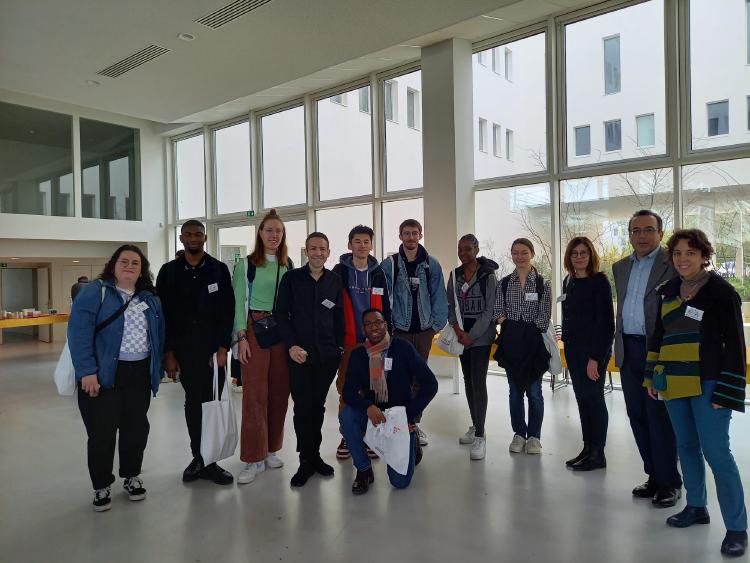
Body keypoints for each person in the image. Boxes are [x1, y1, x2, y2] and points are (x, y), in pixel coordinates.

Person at [646, 229, 747, 557]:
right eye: (677, 253)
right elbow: (658, 338)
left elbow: (735, 345)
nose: (683, 259)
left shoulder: (721, 292)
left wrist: (728, 390)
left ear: (704, 255)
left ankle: (736, 528)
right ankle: (696, 506)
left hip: (709, 383)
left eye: (690, 252)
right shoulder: (667, 290)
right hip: (673, 381)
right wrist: (651, 379)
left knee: (717, 454)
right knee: (686, 447)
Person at [68, 245, 164, 511]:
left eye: (136, 263)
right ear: (113, 265)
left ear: (142, 270)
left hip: (139, 374)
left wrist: (158, 370)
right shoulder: (95, 292)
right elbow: (79, 334)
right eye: (125, 261)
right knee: (102, 433)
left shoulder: (150, 298)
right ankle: (101, 485)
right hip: (104, 375)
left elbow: (158, 335)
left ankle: (131, 476)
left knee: (136, 429)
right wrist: (87, 371)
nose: (130, 267)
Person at [156, 220, 235, 485]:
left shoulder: (219, 270)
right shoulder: (168, 273)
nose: (193, 238)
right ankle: (198, 457)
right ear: (181, 239)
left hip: (215, 353)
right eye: (188, 234)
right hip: (184, 352)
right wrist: (169, 353)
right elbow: (163, 316)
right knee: (193, 404)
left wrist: (224, 347)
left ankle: (211, 462)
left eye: (197, 234)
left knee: (212, 404)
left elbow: (228, 311)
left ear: (204, 238)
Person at [612, 209, 682, 507]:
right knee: (637, 414)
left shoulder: (673, 264)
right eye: (636, 230)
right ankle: (653, 475)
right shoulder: (620, 267)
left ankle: (670, 482)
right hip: (628, 348)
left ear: (660, 233)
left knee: (660, 417)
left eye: (648, 230)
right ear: (630, 234)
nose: (642, 236)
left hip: (658, 350)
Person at [339, 308, 438, 494]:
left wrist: (408, 416)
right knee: (347, 416)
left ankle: (412, 438)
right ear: (363, 329)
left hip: (399, 417)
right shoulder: (358, 355)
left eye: (378, 322)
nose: (374, 327)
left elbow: (430, 384)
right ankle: (363, 470)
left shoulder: (402, 348)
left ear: (385, 324)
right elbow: (348, 393)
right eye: (368, 324)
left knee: (399, 482)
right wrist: (368, 407)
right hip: (374, 414)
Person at [276, 232, 345, 487]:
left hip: (327, 356)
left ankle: (314, 455)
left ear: (328, 252)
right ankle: (306, 459)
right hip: (299, 355)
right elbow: (281, 315)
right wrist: (292, 345)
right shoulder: (292, 279)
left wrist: (339, 348)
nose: (318, 253)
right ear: (306, 251)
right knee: (302, 407)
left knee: (318, 406)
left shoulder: (335, 281)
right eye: (313, 248)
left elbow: (339, 317)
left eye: (322, 249)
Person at [233, 209, 293, 485]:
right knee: (254, 395)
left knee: (279, 393)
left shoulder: (287, 264)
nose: (273, 235)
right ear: (260, 233)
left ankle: (270, 450)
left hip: (280, 331)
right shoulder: (246, 265)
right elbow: (237, 302)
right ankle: (252, 457)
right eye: (269, 230)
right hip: (255, 331)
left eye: (278, 231)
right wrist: (241, 338)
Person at [381, 219, 448, 448]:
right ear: (400, 236)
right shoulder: (390, 265)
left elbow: (439, 296)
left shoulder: (431, 264)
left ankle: (413, 423)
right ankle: (396, 423)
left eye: (414, 233)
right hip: (399, 331)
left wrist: (435, 327)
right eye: (406, 233)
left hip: (423, 333)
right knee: (398, 379)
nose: (410, 237)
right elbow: (383, 299)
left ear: (420, 235)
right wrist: (387, 330)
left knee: (420, 380)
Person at [332, 225, 391, 460]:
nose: (362, 245)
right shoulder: (338, 272)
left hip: (374, 344)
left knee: (373, 389)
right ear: (349, 245)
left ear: (371, 245)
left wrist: (388, 334)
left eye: (366, 241)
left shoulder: (378, 273)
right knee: (346, 388)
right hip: (349, 341)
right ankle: (347, 434)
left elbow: (386, 306)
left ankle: (370, 436)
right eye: (357, 241)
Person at [560, 237, 615, 471]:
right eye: (575, 253)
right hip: (573, 350)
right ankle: (587, 447)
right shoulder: (569, 281)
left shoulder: (599, 282)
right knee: (582, 399)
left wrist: (595, 357)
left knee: (594, 399)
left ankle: (598, 453)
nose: (579, 257)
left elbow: (605, 324)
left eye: (583, 253)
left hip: (593, 352)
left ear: (591, 255)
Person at [495, 238, 551, 455]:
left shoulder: (542, 284)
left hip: (533, 345)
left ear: (532, 254)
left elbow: (544, 316)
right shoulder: (505, 282)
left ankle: (535, 437)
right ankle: (519, 433)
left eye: (524, 252)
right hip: (511, 344)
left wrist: (525, 329)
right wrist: (510, 324)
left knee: (535, 392)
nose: (520, 256)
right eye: (515, 252)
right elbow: (498, 310)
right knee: (515, 392)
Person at [447, 234, 499, 460]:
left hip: (481, 337)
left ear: (477, 249)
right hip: (461, 336)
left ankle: (480, 434)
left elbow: (489, 311)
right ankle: (476, 424)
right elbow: (450, 304)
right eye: (460, 249)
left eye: (468, 249)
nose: (464, 253)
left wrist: (472, 335)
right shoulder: (454, 275)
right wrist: (459, 332)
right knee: (468, 381)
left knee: (479, 382)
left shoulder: (488, 276)